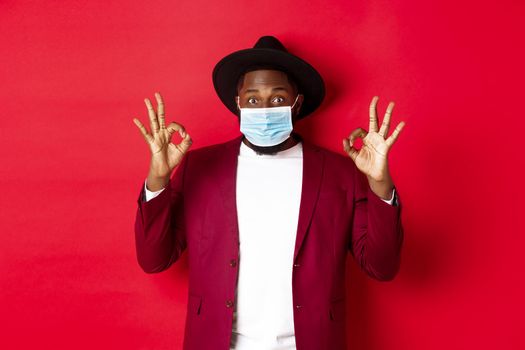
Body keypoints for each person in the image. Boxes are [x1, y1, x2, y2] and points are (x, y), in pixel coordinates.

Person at [132, 35, 405, 350]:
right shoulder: (200, 167)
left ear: (296, 103)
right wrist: (158, 178)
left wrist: (380, 183)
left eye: (277, 99)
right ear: (238, 104)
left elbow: (382, 266)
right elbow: (153, 259)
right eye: (252, 99)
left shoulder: (339, 173)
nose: (263, 108)